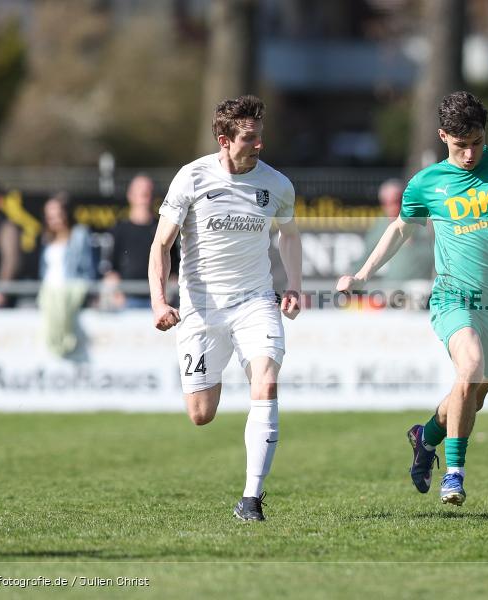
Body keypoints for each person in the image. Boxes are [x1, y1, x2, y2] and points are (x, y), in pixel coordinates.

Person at [337, 91, 488, 506]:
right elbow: (400, 229)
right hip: (452, 297)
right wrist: (362, 275)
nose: (470, 154)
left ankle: (425, 437)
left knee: (472, 395)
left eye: (477, 142)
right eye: (461, 145)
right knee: (471, 367)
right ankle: (454, 476)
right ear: (443, 136)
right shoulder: (427, 183)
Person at [149, 95, 302, 522]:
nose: (259, 144)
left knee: (266, 384)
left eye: (260, 135)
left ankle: (251, 498)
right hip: (201, 310)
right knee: (201, 414)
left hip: (256, 302)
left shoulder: (277, 184)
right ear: (224, 140)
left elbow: (289, 236)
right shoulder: (192, 177)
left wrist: (293, 285)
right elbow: (161, 244)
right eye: (249, 138)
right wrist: (159, 301)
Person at [37, 193, 97, 357]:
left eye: (58, 214)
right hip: (49, 293)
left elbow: (87, 267)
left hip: (71, 293)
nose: (55, 220)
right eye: (50, 216)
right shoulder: (46, 238)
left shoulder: (80, 234)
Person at [104, 174, 170, 308]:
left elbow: (173, 268)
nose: (144, 197)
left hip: (157, 300)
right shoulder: (119, 230)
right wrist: (117, 294)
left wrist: (165, 297)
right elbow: (110, 269)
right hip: (126, 301)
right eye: (140, 192)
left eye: (148, 192)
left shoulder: (162, 229)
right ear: (130, 195)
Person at [354, 178, 434, 285]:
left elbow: (436, 254)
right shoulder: (380, 226)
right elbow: (365, 257)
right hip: (392, 287)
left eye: (397, 201)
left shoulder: (424, 222)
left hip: (421, 286)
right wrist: (351, 277)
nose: (393, 207)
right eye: (387, 203)